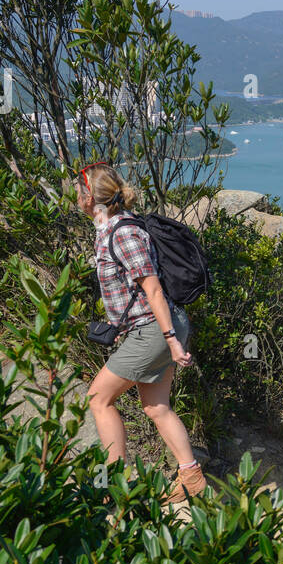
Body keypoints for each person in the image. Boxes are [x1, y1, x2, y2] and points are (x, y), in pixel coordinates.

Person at [75, 162, 205, 504]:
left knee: (98, 399)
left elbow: (154, 290)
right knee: (156, 406)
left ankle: (113, 485)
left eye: (78, 192)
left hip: (156, 330)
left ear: (90, 198)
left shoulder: (124, 233)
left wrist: (171, 342)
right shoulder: (108, 228)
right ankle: (190, 476)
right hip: (153, 328)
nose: (74, 198)